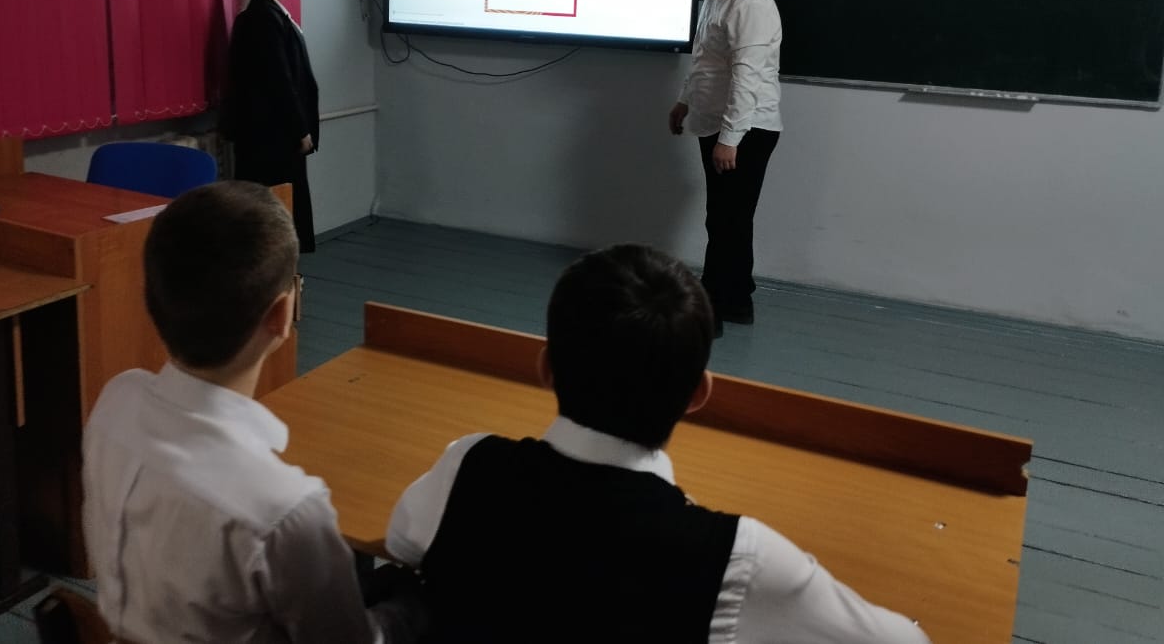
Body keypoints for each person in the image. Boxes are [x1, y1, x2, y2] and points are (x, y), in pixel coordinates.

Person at [385, 244, 930, 644]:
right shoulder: (741, 558)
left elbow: (401, 540)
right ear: (699, 393)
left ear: (545, 367)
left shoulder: (468, 464)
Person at [82, 181, 424, 643]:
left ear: (151, 298)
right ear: (282, 315)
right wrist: (409, 615)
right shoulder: (284, 509)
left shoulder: (115, 403)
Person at [669, 0, 782, 329]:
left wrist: (730, 139)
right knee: (725, 217)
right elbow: (708, 61)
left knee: (728, 219)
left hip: (745, 129)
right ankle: (734, 298)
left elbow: (746, 77)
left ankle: (714, 306)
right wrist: (684, 102)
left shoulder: (749, 2)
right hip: (718, 122)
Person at [223, 0, 320, 253]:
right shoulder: (261, 19)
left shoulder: (269, 14)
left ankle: (281, 268)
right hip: (271, 138)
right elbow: (278, 80)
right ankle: (276, 270)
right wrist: (300, 129)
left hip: (272, 135)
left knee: (279, 210)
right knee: (274, 214)